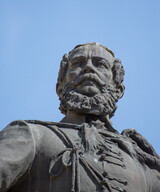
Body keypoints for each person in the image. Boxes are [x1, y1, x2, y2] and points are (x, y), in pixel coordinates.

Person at [0, 43, 160, 192]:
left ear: (118, 89)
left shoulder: (143, 161)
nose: (88, 68)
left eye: (100, 65)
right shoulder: (32, 136)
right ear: (60, 88)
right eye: (78, 63)